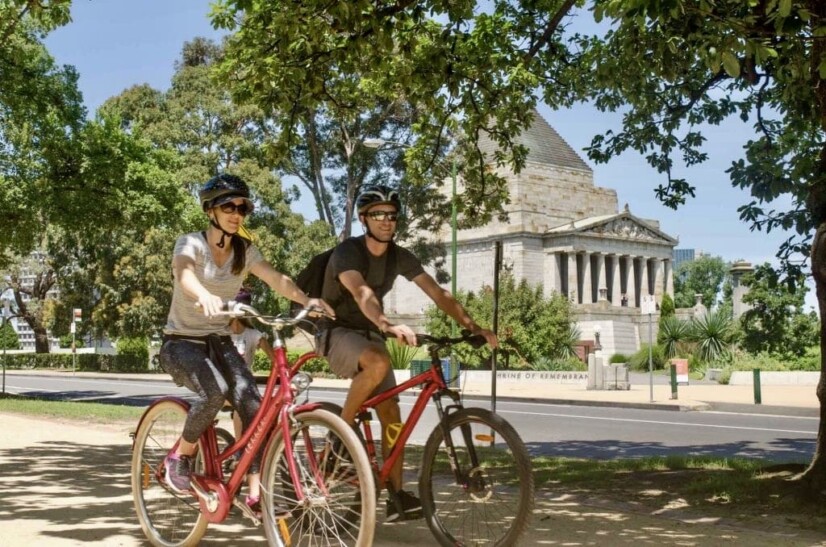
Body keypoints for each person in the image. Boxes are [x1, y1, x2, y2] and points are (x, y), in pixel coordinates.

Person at [315, 184, 498, 522]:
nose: (387, 221)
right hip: (335, 331)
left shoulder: (400, 256)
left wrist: (473, 327)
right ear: (364, 218)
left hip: (370, 334)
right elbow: (361, 291)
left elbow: (438, 293)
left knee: (391, 418)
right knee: (378, 360)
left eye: (392, 215)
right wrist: (387, 323)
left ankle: (395, 495)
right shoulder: (348, 252)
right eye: (379, 214)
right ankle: (339, 436)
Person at [159, 173, 332, 518]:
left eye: (242, 207)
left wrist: (305, 299)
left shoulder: (244, 251)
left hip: (218, 340)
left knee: (252, 402)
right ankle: (180, 456)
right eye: (229, 206)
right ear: (210, 210)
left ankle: (253, 491)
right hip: (180, 343)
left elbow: (276, 278)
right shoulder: (190, 243)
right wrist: (204, 294)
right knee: (215, 392)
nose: (237, 213)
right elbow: (184, 273)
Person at [228, 287, 275, 446]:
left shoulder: (253, 334)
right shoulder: (221, 332)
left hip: (244, 386)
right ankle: (239, 447)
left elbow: (274, 358)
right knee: (241, 406)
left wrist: (283, 372)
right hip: (224, 385)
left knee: (263, 408)